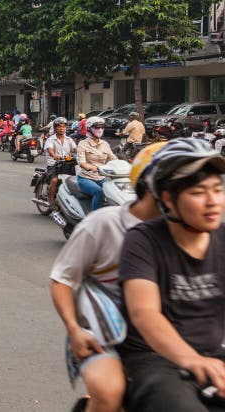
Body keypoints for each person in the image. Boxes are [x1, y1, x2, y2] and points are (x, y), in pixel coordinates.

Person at [50, 143, 165, 412]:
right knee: (109, 394)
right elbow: (61, 280)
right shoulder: (104, 224)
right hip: (102, 333)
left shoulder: (190, 232)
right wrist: (74, 328)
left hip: (161, 335)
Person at [119, 138, 225, 411]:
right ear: (168, 198)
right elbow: (145, 313)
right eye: (199, 192)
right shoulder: (143, 240)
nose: (213, 201)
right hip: (154, 361)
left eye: (217, 189)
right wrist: (191, 359)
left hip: (214, 356)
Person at [77, 116, 117, 211]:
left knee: (116, 189)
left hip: (102, 177)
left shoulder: (105, 144)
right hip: (86, 178)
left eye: (102, 127)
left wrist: (124, 165)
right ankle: (94, 217)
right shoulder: (83, 144)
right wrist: (93, 168)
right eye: (96, 127)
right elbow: (82, 163)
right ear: (89, 129)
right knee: (98, 192)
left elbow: (113, 158)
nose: (100, 130)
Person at [44, 117, 78, 207]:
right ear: (55, 128)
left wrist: (82, 151)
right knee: (55, 180)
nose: (62, 128)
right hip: (54, 165)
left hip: (67, 164)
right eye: (59, 127)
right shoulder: (50, 139)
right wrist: (54, 155)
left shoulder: (69, 139)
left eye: (63, 126)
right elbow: (49, 149)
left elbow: (75, 149)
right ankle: (51, 200)